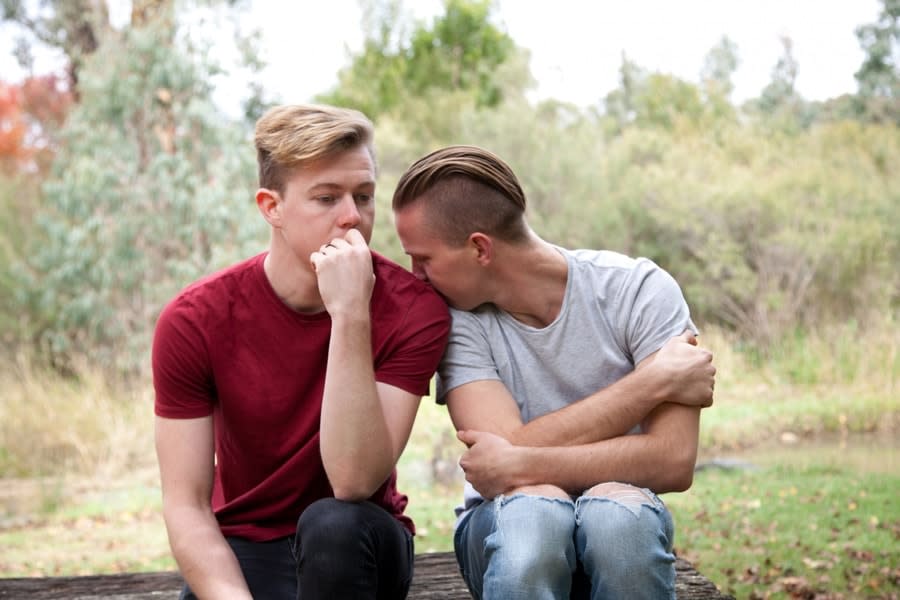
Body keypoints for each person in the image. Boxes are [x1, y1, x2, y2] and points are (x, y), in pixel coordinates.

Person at [151, 104, 450, 600]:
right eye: (327, 197)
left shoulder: (413, 311)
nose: (353, 216)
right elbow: (186, 506)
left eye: (364, 195)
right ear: (272, 207)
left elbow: (354, 480)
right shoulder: (194, 321)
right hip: (246, 543)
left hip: (361, 542)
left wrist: (351, 313)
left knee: (332, 523)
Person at [391, 145, 716, 600]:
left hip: (624, 526)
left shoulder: (640, 291)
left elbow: (673, 460)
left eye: (423, 259)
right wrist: (650, 384)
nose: (414, 275)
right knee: (534, 519)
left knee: (616, 522)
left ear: (480, 248)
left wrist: (523, 462)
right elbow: (495, 471)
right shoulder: (458, 320)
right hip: (506, 535)